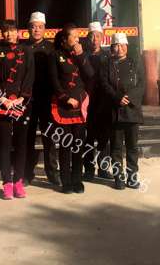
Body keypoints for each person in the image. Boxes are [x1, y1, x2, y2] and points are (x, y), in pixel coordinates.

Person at [0, 20, 34, 200]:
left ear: (18, 33)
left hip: (22, 103)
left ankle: (19, 182)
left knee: (21, 144)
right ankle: (7, 183)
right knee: (5, 144)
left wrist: (22, 98)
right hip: (3, 103)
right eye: (6, 31)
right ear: (2, 34)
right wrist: (3, 99)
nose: (9, 34)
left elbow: (30, 76)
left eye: (12, 31)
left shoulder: (27, 51)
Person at [50, 24, 94, 194]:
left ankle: (77, 179)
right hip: (63, 105)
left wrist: (81, 55)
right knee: (65, 144)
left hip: (80, 105)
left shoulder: (82, 55)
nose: (77, 39)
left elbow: (90, 74)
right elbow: (54, 81)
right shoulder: (55, 55)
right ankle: (66, 181)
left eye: (78, 36)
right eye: (74, 36)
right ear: (64, 39)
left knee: (78, 144)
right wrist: (65, 98)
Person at [100, 33, 145, 190]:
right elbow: (104, 84)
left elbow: (141, 84)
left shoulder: (135, 63)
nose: (119, 49)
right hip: (115, 110)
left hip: (132, 110)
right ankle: (118, 178)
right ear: (112, 48)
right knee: (116, 147)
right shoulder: (106, 64)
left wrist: (129, 98)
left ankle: (132, 178)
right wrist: (117, 97)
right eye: (116, 46)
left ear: (127, 46)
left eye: (122, 45)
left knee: (132, 147)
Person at [23, 12, 60, 186]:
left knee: (49, 136)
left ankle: (52, 171)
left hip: (46, 99)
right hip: (27, 100)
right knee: (28, 136)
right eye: (33, 27)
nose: (36, 30)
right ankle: (27, 173)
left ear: (44, 29)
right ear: (28, 29)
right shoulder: (23, 48)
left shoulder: (52, 49)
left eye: (39, 27)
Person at [83, 22, 112, 182]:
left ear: (102, 38)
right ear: (88, 38)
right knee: (88, 138)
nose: (94, 40)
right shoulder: (83, 56)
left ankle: (103, 168)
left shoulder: (108, 57)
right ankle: (88, 169)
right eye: (92, 36)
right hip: (87, 102)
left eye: (97, 36)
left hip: (104, 102)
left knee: (104, 138)